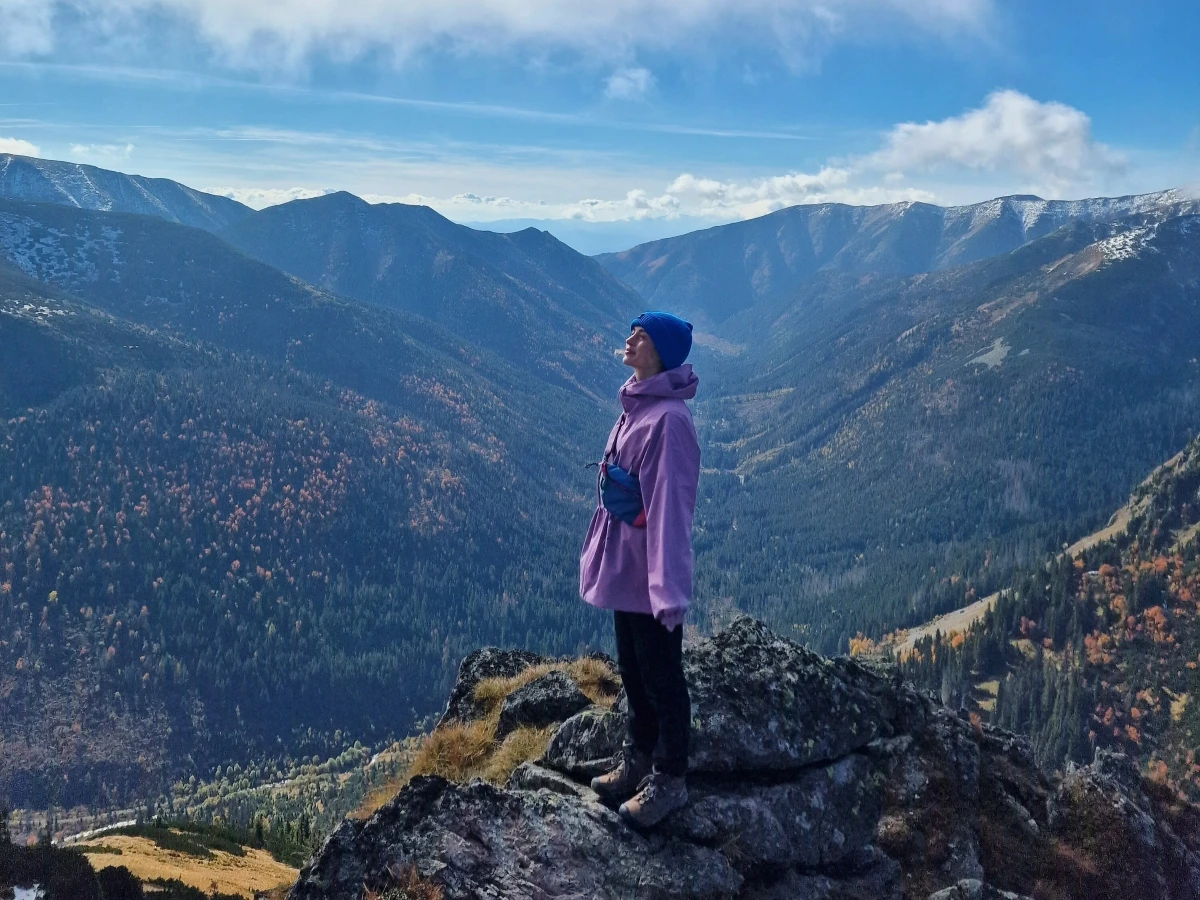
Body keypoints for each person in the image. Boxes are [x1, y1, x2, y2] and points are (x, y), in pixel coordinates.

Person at [579, 310, 701, 828]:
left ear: (661, 353)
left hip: (648, 576)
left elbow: (670, 508)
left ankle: (670, 780)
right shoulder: (637, 403)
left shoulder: (668, 421)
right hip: (625, 569)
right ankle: (638, 759)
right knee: (632, 667)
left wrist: (666, 589)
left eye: (641, 335)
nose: (629, 340)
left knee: (661, 676)